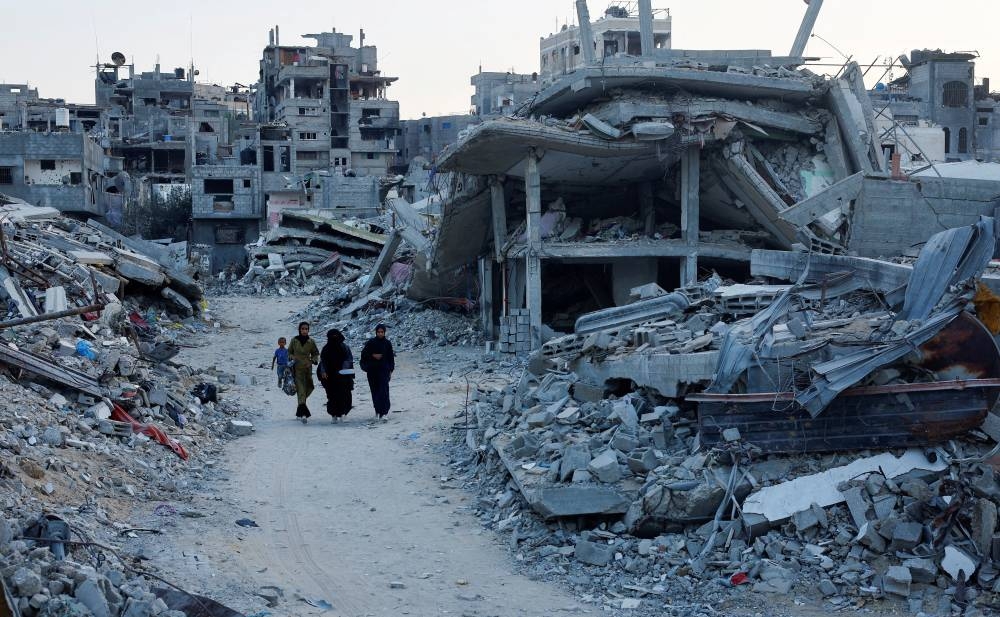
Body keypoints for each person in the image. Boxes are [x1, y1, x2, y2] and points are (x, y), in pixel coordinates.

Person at [360, 323, 395, 421]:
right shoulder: (371, 343)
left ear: (384, 333)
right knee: (375, 391)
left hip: (384, 371)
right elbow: (364, 354)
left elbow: (390, 357)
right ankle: (377, 412)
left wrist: (391, 370)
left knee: (384, 391)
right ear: (376, 332)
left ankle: (384, 413)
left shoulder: (387, 343)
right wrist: (373, 355)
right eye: (378, 332)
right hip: (372, 371)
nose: (380, 334)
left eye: (382, 332)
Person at [319, 329, 354, 423]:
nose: (334, 338)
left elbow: (349, 359)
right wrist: (323, 371)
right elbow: (323, 361)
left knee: (345, 395)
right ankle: (333, 415)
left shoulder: (344, 347)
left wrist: (343, 370)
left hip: (343, 376)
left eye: (336, 335)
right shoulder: (326, 349)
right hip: (330, 377)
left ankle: (343, 414)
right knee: (332, 396)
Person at [288, 322, 319, 423]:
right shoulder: (294, 341)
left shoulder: (311, 342)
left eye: (306, 329)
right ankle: (304, 414)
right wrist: (292, 357)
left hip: (307, 369)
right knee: (301, 390)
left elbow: (315, 353)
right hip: (297, 370)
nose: (304, 331)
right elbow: (289, 352)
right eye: (303, 329)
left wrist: (312, 361)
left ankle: (299, 411)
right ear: (299, 330)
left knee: (308, 388)